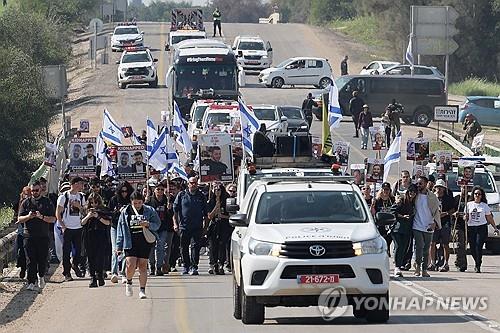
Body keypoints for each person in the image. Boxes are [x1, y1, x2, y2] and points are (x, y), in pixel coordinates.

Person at [116, 191, 161, 299]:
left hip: (144, 241)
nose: (137, 205)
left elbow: (157, 224)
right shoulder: (125, 212)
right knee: (130, 264)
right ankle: (129, 281)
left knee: (143, 266)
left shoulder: (149, 210)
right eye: (135, 203)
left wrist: (148, 224)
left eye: (139, 203)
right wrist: (119, 245)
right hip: (130, 241)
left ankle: (142, 289)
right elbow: (120, 229)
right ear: (131, 202)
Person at [17, 181, 56, 291]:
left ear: (41, 190)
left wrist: (41, 217)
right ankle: (31, 281)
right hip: (28, 235)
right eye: (32, 190)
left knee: (42, 259)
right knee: (30, 259)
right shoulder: (26, 202)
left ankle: (41, 276)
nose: (34, 192)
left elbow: (53, 219)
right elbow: (19, 219)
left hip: (43, 236)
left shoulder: (47, 202)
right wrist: (28, 216)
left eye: (36, 190)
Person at [173, 177, 209, 275]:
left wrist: (205, 227)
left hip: (197, 227)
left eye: (195, 183)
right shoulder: (181, 195)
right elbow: (175, 212)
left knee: (195, 247)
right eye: (191, 183)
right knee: (183, 247)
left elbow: (206, 214)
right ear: (188, 184)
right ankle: (186, 266)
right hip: (184, 226)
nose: (193, 185)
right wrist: (175, 224)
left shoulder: (201, 196)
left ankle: (194, 266)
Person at [56, 177, 86, 281]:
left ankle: (75, 264)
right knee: (66, 251)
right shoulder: (64, 196)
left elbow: (85, 212)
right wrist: (62, 226)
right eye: (80, 184)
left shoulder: (81, 197)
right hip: (67, 227)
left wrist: (79, 206)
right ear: (75, 184)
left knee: (78, 250)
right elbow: (58, 213)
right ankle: (67, 272)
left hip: (78, 227)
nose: (82, 186)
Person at [465, 186, 499, 273]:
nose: (477, 195)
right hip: (471, 227)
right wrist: (465, 217)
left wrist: (495, 227)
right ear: (473, 195)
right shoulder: (469, 204)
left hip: (481, 227)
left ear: (481, 196)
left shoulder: (484, 206)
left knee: (478, 246)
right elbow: (466, 216)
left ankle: (478, 265)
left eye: (479, 194)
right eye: (476, 194)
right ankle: (476, 260)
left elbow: (489, 217)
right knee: (472, 247)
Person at [412, 176, 441, 277]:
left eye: (421, 183)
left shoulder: (432, 196)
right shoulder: (414, 195)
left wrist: (434, 223)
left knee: (426, 249)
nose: (419, 185)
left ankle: (425, 269)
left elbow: (437, 211)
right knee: (418, 247)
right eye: (418, 183)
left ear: (426, 183)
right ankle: (418, 267)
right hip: (417, 225)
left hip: (429, 225)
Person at [81, 193, 111, 288]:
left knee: (100, 257)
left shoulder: (103, 210)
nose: (94, 205)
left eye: (96, 202)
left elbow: (108, 222)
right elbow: (82, 222)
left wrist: (98, 216)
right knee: (90, 257)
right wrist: (89, 216)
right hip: (89, 235)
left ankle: (100, 274)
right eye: (92, 203)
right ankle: (92, 277)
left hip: (101, 235)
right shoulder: (85, 210)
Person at [108, 181, 134, 283]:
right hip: (115, 227)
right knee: (115, 250)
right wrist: (117, 212)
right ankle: (114, 272)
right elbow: (108, 213)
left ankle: (123, 272)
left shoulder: (130, 200)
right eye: (122, 191)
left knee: (125, 250)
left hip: (126, 227)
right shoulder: (114, 200)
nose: (124, 193)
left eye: (126, 191)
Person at [428, 180, 456, 272]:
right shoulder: (432, 197)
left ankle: (446, 263)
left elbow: (453, 209)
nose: (439, 189)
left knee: (445, 244)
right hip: (434, 223)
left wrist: (446, 213)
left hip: (445, 223)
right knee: (432, 243)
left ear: (444, 189)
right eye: (437, 187)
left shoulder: (448, 198)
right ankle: (432, 262)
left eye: (441, 188)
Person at [391, 184, 417, 277]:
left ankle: (400, 265)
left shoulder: (414, 203)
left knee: (404, 248)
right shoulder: (401, 200)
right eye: (410, 191)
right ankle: (397, 267)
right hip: (397, 229)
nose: (412, 193)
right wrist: (402, 216)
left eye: (414, 192)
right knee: (399, 246)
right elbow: (393, 211)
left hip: (407, 230)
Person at [207, 183, 231, 275]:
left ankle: (221, 264)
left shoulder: (227, 201)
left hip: (224, 225)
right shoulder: (210, 201)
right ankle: (213, 263)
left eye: (219, 190)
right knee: (213, 246)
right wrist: (216, 206)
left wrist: (223, 216)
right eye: (215, 190)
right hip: (214, 225)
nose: (217, 191)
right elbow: (209, 216)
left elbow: (230, 216)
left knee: (222, 245)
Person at [146, 183, 169, 276]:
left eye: (161, 189)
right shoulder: (150, 201)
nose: (159, 191)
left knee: (161, 247)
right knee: (151, 248)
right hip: (151, 227)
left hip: (163, 227)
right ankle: (151, 266)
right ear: (154, 190)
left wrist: (169, 209)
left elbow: (170, 215)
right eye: (158, 189)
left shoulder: (166, 200)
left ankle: (159, 267)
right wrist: (145, 202)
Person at [371, 182, 395, 253]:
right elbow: (372, 213)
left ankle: (387, 251)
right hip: (380, 224)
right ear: (381, 190)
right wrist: (372, 205)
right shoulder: (377, 200)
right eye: (384, 189)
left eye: (387, 189)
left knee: (389, 240)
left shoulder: (392, 200)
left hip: (390, 223)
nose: (386, 191)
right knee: (382, 240)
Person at [15, 186, 32, 279]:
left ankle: (30, 272)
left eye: (28, 194)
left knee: (29, 253)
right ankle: (22, 268)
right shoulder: (20, 203)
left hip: (31, 231)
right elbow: (17, 215)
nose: (27, 196)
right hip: (21, 230)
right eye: (25, 194)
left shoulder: (33, 203)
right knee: (20, 251)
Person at [453, 186, 471, 272]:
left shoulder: (471, 199)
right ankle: (460, 263)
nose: (465, 189)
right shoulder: (457, 198)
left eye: (466, 188)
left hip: (468, 225)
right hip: (458, 225)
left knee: (465, 245)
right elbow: (452, 210)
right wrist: (454, 214)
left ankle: (462, 262)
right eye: (463, 188)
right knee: (460, 244)